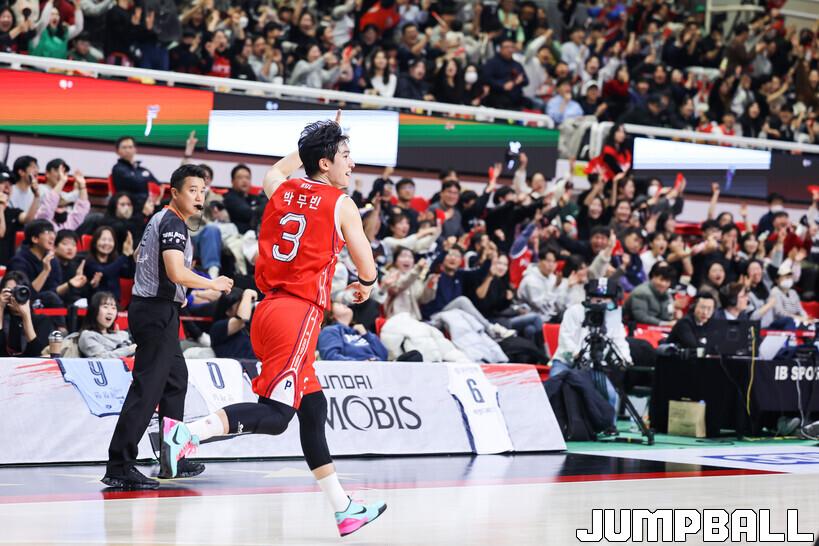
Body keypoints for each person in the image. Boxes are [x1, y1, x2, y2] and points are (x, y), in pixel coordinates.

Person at [165, 113, 387, 537]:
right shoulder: (341, 204)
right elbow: (367, 264)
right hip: (298, 313)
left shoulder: (279, 188)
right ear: (326, 163)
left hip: (267, 310)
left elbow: (280, 168)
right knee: (278, 415)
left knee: (314, 408)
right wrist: (366, 284)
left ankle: (344, 509)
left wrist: (317, 141)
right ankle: (188, 433)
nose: (352, 163)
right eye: (345, 155)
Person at [101, 164, 234, 490]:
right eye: (192, 190)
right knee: (147, 389)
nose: (199, 196)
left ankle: (171, 457)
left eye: (203, 191)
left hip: (159, 309)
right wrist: (211, 283)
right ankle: (119, 465)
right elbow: (174, 271)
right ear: (174, 192)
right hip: (155, 313)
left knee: (175, 381)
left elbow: (144, 260)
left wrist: (177, 293)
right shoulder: (173, 221)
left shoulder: (161, 220)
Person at [550, 277, 633, 421]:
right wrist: (576, 354)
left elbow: (619, 340)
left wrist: (625, 358)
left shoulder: (614, 317)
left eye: (606, 298)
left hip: (593, 367)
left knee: (610, 395)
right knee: (552, 389)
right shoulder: (574, 311)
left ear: (613, 299)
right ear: (589, 297)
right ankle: (551, 424)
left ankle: (609, 427)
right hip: (566, 363)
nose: (600, 301)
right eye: (596, 297)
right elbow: (565, 338)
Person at [0, 271, 53, 357]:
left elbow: (38, 353)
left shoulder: (42, 320)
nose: (14, 295)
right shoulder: (3, 318)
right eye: (10, 291)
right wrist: (0, 307)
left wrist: (26, 315)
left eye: (18, 291)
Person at [317, 301, 388, 361]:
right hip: (353, 371)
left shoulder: (362, 332)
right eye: (339, 304)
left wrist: (366, 334)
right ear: (331, 315)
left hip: (375, 370)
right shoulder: (329, 331)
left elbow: (384, 355)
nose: (344, 305)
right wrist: (361, 364)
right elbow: (331, 357)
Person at [78, 291, 135, 358]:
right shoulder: (88, 336)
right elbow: (102, 357)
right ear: (94, 310)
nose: (110, 312)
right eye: (105, 307)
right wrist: (129, 350)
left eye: (113, 308)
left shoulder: (122, 335)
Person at [110, 136, 159, 207]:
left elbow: (158, 185)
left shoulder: (142, 169)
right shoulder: (118, 169)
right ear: (117, 151)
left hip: (150, 203)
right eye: (124, 147)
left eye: (130, 147)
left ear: (135, 150)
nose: (127, 150)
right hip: (131, 205)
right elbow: (136, 183)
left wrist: (157, 200)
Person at [210, 287, 257, 360]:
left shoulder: (246, 325)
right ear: (228, 311)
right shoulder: (218, 327)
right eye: (241, 304)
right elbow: (242, 318)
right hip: (235, 365)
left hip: (254, 364)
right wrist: (247, 294)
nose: (247, 306)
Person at [622, 262, 675, 327]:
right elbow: (641, 317)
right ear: (654, 277)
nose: (663, 284)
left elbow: (666, 317)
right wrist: (665, 324)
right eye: (661, 280)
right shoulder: (641, 292)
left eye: (667, 281)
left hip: (655, 327)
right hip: (634, 327)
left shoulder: (666, 294)